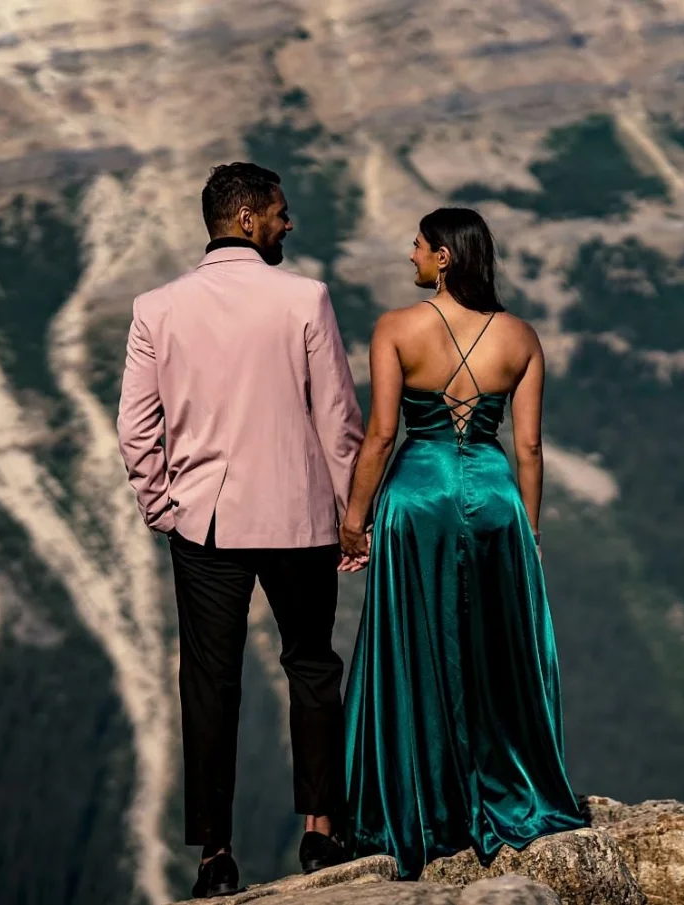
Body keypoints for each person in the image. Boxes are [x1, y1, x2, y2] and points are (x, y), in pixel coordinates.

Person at [116, 162, 364, 897]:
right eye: (281, 213)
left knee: (209, 682)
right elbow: (339, 420)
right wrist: (351, 517)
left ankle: (214, 854)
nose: (289, 224)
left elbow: (136, 428)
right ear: (250, 218)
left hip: (206, 521)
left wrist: (163, 506)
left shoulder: (156, 308)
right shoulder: (306, 300)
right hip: (299, 516)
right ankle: (320, 832)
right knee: (313, 665)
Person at [337, 207, 588, 878]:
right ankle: (511, 790)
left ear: (445, 256)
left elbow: (382, 433)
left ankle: (423, 807)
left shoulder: (394, 328)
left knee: (416, 645)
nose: (409, 256)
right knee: (496, 650)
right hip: (496, 498)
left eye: (418, 246)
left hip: (418, 498)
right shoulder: (521, 336)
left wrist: (352, 518)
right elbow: (529, 446)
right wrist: (528, 533)